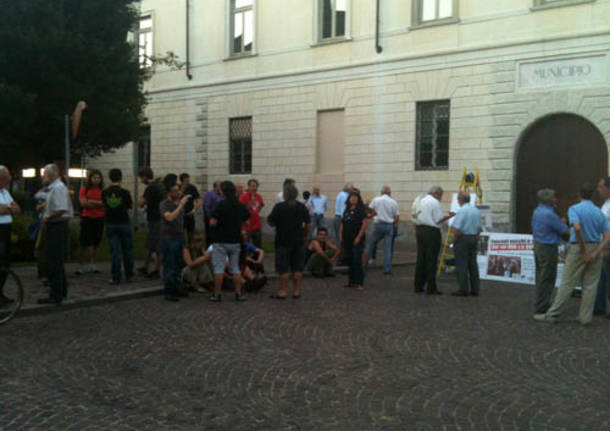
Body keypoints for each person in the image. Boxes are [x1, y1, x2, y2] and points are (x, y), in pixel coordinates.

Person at [535, 183, 610, 326]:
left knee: (567, 282)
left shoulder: (574, 209)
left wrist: (583, 250)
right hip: (595, 246)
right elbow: (607, 234)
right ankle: (585, 318)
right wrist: (596, 252)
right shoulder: (598, 211)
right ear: (592, 195)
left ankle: (552, 314)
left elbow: (576, 227)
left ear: (579, 195)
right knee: (590, 285)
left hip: (578, 247)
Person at [209, 181, 250, 302]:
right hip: (235, 240)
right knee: (235, 268)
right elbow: (247, 221)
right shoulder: (239, 205)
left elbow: (212, 222)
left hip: (220, 240)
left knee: (219, 268)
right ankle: (238, 293)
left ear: (223, 192)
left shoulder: (220, 205)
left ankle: (217, 294)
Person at [37, 164, 73, 305]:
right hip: (56, 225)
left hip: (57, 226)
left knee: (53, 261)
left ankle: (55, 294)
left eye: (44, 174)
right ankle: (61, 291)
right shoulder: (55, 188)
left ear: (51, 175)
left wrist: (47, 216)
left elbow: (61, 209)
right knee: (56, 261)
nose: (43, 177)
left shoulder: (58, 188)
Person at [268, 182, 311, 299]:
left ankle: (282, 291)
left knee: (283, 268)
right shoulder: (302, 207)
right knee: (298, 268)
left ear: (285, 195)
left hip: (282, 241)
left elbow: (270, 222)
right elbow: (308, 223)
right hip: (298, 240)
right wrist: (306, 235)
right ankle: (297, 291)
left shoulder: (279, 207)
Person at [530, 189, 569, 313]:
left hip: (538, 245)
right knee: (547, 278)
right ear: (549, 200)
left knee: (541, 277)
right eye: (553, 197)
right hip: (548, 248)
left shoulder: (537, 211)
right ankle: (541, 308)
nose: (555, 199)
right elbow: (563, 230)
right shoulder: (549, 214)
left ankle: (542, 303)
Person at [413, 186, 455, 295]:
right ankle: (431, 287)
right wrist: (449, 217)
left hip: (420, 230)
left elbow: (414, 217)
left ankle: (418, 286)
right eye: (441, 195)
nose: (441, 198)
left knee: (421, 259)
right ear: (436, 193)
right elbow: (437, 220)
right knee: (431, 259)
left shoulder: (420, 200)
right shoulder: (435, 203)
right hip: (431, 232)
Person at [159, 175, 191, 301]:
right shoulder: (164, 204)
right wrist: (181, 205)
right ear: (169, 192)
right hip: (168, 237)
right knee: (169, 264)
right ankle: (169, 289)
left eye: (178, 191)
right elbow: (170, 217)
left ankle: (176, 286)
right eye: (175, 191)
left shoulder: (178, 202)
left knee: (178, 264)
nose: (178, 193)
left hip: (179, 237)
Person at [102, 168, 134, 285]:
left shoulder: (105, 192)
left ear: (110, 178)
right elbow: (130, 206)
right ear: (121, 178)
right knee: (127, 250)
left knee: (115, 251)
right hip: (124, 222)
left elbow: (104, 205)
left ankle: (116, 276)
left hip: (110, 222)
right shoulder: (125, 193)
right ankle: (129, 274)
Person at [450, 193, 482, 297]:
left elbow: (457, 229)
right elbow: (479, 228)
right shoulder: (476, 210)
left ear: (460, 200)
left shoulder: (461, 211)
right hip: (473, 237)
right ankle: (475, 289)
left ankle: (463, 289)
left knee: (461, 264)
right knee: (473, 264)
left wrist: (454, 239)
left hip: (463, 239)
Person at [76, 169, 105, 275]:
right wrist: (97, 204)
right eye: (94, 177)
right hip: (87, 217)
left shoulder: (102, 190)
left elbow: (104, 203)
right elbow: (83, 203)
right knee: (85, 242)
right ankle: (81, 265)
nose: (96, 180)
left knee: (96, 241)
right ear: (90, 179)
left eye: (98, 178)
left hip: (99, 217)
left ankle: (93, 264)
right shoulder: (84, 189)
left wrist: (91, 202)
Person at [365, 185, 400, 275]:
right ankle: (387, 269)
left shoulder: (376, 199)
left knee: (371, 244)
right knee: (388, 248)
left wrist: (369, 214)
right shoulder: (393, 202)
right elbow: (397, 217)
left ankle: (363, 263)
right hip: (389, 226)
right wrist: (394, 225)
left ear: (381, 192)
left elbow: (370, 210)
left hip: (379, 225)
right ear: (390, 193)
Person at [138, 167, 165, 278]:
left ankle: (156, 270)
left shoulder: (150, 188)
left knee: (156, 244)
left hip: (155, 218)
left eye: (141, 178)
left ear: (145, 176)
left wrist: (141, 197)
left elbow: (141, 203)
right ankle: (146, 266)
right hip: (159, 217)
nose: (140, 180)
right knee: (150, 243)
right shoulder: (159, 185)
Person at [339, 191, 368, 291]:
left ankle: (359, 282)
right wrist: (340, 234)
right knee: (350, 260)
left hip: (357, 239)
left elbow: (364, 224)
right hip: (347, 239)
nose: (353, 199)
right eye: (351, 197)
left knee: (357, 260)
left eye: (355, 197)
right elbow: (343, 223)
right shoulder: (346, 210)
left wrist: (359, 237)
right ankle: (351, 281)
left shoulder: (361, 210)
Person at [0, 166, 20, 306]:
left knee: (5, 262)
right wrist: (9, 209)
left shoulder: (5, 192)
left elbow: (17, 208)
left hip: (6, 229)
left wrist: (7, 209)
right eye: (7, 176)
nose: (9, 179)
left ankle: (0, 292)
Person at [595, 177, 610, 318]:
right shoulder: (606, 203)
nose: (598, 190)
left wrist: (606, 247)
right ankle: (599, 306)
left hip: (607, 247)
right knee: (601, 278)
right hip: (603, 245)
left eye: (600, 187)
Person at [239, 178, 264, 248]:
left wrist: (255, 213)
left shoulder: (259, 197)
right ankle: (247, 258)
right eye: (252, 186)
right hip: (247, 226)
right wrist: (250, 204)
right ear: (248, 187)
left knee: (258, 245)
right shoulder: (243, 197)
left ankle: (257, 257)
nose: (254, 188)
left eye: (256, 186)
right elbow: (241, 211)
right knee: (246, 246)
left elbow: (260, 206)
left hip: (257, 225)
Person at [179, 173, 202, 237]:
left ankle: (191, 246)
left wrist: (193, 211)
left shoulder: (192, 188)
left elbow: (199, 201)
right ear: (182, 181)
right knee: (180, 233)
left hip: (190, 214)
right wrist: (182, 190)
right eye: (186, 181)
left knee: (191, 233)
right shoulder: (177, 188)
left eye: (188, 180)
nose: (188, 182)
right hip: (179, 215)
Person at [203, 180, 222, 247]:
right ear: (216, 186)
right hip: (211, 218)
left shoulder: (222, 194)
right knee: (210, 236)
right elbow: (207, 206)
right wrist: (210, 218)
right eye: (220, 185)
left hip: (220, 219)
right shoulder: (210, 194)